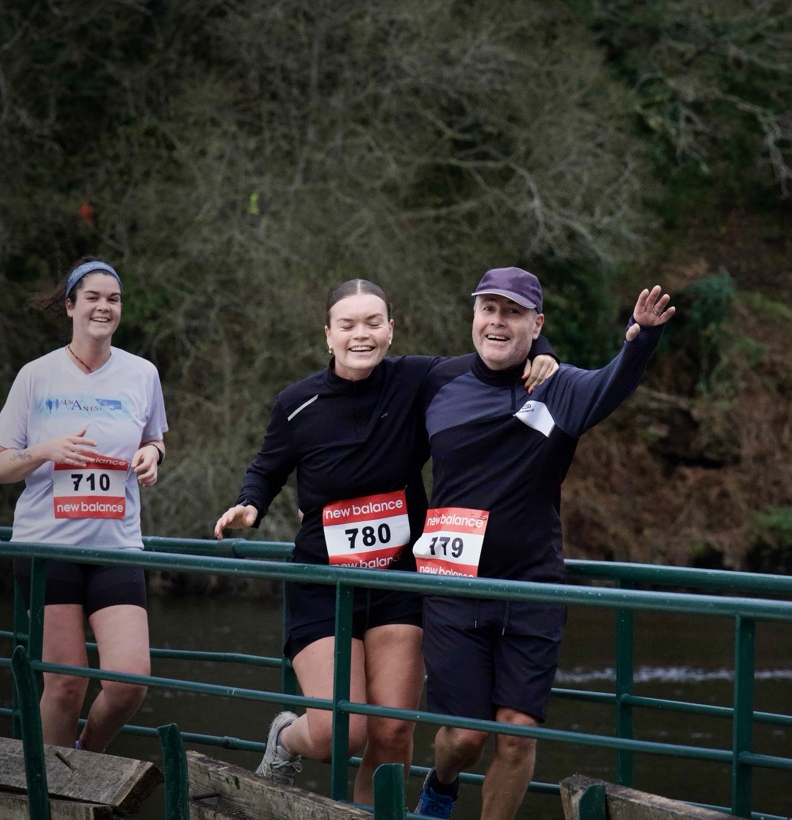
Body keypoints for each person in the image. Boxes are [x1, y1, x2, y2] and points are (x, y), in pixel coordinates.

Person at [213, 279, 557, 803]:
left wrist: (545, 350)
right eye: (347, 324)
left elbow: (495, 351)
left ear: (390, 330)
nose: (361, 334)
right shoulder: (296, 402)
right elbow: (267, 468)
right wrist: (250, 504)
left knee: (393, 732)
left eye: (373, 323)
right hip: (324, 581)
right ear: (328, 334)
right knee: (338, 734)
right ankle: (286, 737)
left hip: (399, 580)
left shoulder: (419, 379)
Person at [412, 267, 674, 819]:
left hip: (532, 590)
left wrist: (641, 340)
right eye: (488, 309)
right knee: (463, 738)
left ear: (536, 324)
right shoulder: (438, 380)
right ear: (473, 316)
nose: (497, 322)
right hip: (452, 586)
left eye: (513, 313)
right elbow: (368, 404)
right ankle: (440, 787)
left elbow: (613, 382)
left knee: (516, 736)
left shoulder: (559, 388)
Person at [0, 257, 167, 752]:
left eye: (113, 299)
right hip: (47, 547)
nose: (103, 307)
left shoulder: (142, 374)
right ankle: (56, 784)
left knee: (129, 682)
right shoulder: (36, 376)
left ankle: (86, 758)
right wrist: (45, 450)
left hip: (116, 546)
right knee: (66, 684)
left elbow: (153, 438)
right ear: (70, 306)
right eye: (92, 297)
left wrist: (152, 455)